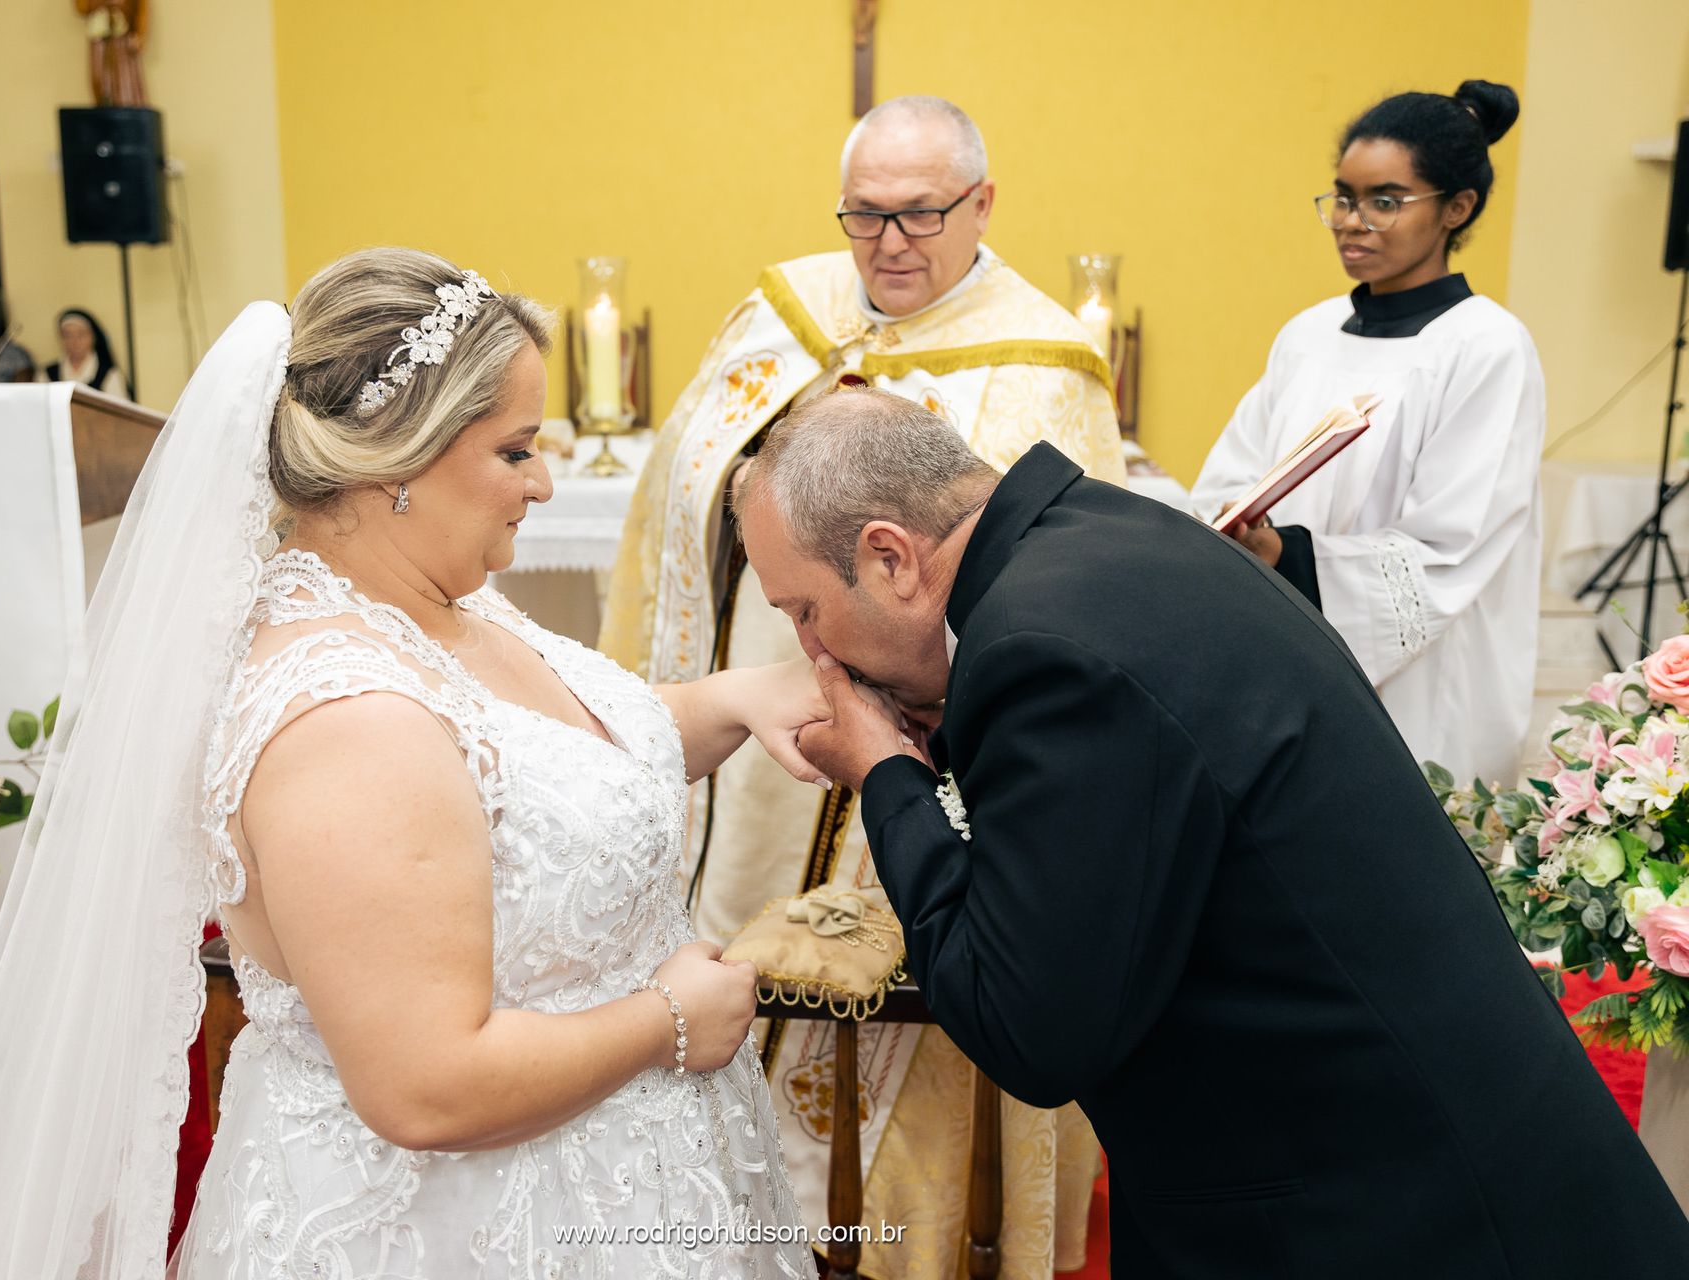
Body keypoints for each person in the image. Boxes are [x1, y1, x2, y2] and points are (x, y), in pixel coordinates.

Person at [0, 249, 819, 1278]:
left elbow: (544, 763)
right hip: (466, 1227)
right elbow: (427, 1083)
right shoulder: (344, 722)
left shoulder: (428, 598)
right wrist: (668, 1021)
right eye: (515, 449)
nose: (544, 480)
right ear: (398, 466)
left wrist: (732, 699)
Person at [734, 387, 1689, 1278]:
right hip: (1429, 1131)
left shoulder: (1039, 652)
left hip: (1390, 1211)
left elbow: (1026, 1028)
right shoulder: (1102, 533)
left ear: (891, 555)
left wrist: (888, 777)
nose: (814, 655)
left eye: (806, 612)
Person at [601, 94, 1120, 1275]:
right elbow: (676, 498)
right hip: (754, 718)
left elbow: (1052, 582)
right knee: (725, 930)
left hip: (900, 744)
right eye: (865, 215)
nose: (889, 243)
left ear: (983, 204)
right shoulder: (780, 310)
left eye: (921, 214)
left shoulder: (1045, 359)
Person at [1192, 80, 1543, 789]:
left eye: (1385, 200)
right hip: (1287, 648)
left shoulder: (1486, 347)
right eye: (1344, 198)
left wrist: (1287, 555)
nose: (1353, 221)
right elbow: (1233, 473)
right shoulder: (1309, 334)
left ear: (1458, 207)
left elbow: (1451, 547)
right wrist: (1235, 528)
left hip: (1424, 687)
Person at [41, 307, 130, 400]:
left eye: (81, 334)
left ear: (93, 337)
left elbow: (119, 410)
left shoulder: (109, 374)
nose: (75, 341)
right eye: (68, 335)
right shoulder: (47, 374)